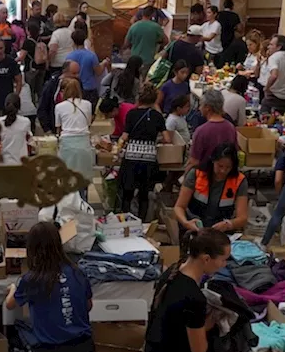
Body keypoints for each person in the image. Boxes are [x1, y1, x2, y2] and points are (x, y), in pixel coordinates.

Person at [5, 222, 95, 352]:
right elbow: (88, 305)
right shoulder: (77, 272)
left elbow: (10, 304)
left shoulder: (33, 279)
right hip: (85, 349)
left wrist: (13, 288)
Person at [144, 228, 231, 352]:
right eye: (223, 259)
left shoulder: (172, 271)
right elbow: (199, 351)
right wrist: (209, 324)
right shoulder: (194, 297)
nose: (224, 265)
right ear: (206, 259)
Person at [116, 85, 170, 219]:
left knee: (127, 193)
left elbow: (125, 136)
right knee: (144, 194)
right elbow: (167, 139)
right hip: (149, 160)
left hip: (131, 158)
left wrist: (118, 149)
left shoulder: (131, 114)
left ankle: (124, 220)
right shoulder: (157, 116)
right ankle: (142, 222)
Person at [176, 143, 248, 235]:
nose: (223, 171)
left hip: (221, 232)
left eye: (228, 167)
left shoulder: (239, 180)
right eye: (220, 166)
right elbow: (179, 207)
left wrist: (229, 224)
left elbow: (242, 218)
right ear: (213, 161)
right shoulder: (196, 174)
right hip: (194, 228)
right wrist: (186, 222)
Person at [55, 78, 94, 188]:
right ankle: (83, 202)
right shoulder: (87, 104)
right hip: (84, 144)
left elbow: (58, 128)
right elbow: (88, 123)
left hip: (67, 144)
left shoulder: (59, 107)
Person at [188, 90, 238, 170]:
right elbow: (235, 152)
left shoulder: (201, 131)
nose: (199, 108)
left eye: (201, 105)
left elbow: (194, 161)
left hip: (206, 176)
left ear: (207, 107)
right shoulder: (231, 127)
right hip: (226, 175)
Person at [102, 56, 141, 138]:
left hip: (113, 103)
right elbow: (137, 96)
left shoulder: (116, 73)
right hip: (128, 107)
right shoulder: (136, 81)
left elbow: (103, 82)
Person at [65, 29, 106, 103]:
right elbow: (98, 72)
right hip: (90, 87)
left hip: (75, 88)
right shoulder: (91, 55)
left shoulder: (69, 56)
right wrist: (104, 63)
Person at [125, 8, 165, 73]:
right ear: (152, 15)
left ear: (142, 14)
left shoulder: (134, 26)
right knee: (145, 80)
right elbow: (166, 41)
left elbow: (126, 43)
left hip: (134, 58)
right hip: (149, 59)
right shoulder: (156, 27)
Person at [0, 93, 32, 166]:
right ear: (19, 106)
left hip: (3, 163)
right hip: (21, 163)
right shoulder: (26, 121)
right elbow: (29, 139)